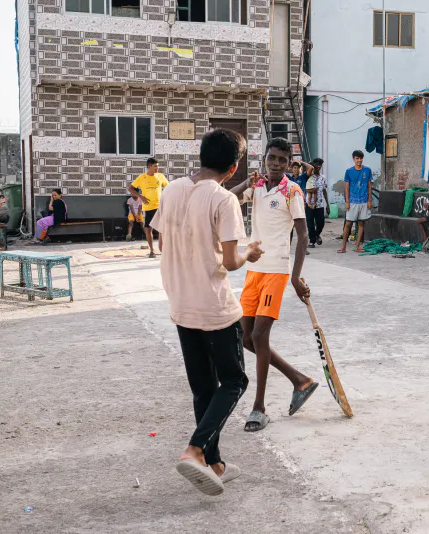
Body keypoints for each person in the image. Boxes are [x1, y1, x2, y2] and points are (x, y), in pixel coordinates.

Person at [150, 129, 262, 497]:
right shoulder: (223, 200)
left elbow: (163, 241)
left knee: (203, 388)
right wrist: (251, 253)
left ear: (201, 157)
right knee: (234, 382)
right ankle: (195, 450)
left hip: (180, 304)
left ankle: (215, 464)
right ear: (232, 169)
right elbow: (231, 262)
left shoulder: (171, 190)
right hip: (215, 308)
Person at [230, 137, 318, 432]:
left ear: (290, 163)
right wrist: (246, 183)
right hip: (253, 269)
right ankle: (299, 380)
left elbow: (303, 236)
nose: (276, 164)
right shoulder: (255, 186)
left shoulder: (292, 191)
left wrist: (295, 277)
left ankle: (258, 407)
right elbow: (228, 198)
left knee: (259, 334)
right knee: (245, 339)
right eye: (272, 158)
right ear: (264, 158)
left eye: (282, 160)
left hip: (278, 271)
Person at [128, 158, 168, 258]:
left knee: (162, 229)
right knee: (148, 229)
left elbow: (169, 187)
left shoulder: (160, 176)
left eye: (158, 166)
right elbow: (130, 188)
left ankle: (163, 250)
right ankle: (151, 250)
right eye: (155, 166)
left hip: (159, 207)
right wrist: (140, 196)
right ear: (149, 166)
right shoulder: (142, 178)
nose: (157, 168)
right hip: (148, 208)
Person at [338, 150, 373, 253]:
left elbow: (370, 186)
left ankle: (357, 246)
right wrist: (347, 202)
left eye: (361, 158)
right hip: (353, 201)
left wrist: (370, 200)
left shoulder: (367, 170)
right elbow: (347, 188)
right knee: (348, 224)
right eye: (357, 158)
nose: (359, 160)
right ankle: (343, 247)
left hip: (364, 200)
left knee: (361, 223)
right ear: (353, 159)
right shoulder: (349, 171)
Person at [305, 158, 329, 248]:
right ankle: (312, 241)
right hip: (309, 203)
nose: (318, 166)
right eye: (317, 164)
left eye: (320, 165)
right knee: (310, 223)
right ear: (313, 165)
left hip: (320, 204)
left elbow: (324, 191)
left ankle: (316, 234)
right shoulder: (308, 176)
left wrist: (327, 204)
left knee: (321, 223)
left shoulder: (323, 178)